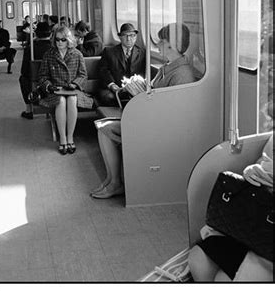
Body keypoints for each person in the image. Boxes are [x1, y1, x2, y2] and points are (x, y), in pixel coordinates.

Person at [91, 23, 195, 198]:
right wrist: (139, 90)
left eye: (162, 40)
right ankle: (112, 180)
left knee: (105, 129)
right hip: (149, 119)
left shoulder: (181, 75)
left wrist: (140, 95)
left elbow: (171, 113)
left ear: (172, 45)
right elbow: (155, 95)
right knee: (103, 126)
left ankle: (116, 183)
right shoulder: (168, 67)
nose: (158, 44)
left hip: (159, 128)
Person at [188, 134, 273, 282]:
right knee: (198, 259)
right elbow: (264, 163)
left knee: (224, 279)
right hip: (256, 217)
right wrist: (253, 170)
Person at [38, 26, 94, 154]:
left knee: (72, 99)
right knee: (61, 101)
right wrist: (49, 86)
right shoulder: (49, 55)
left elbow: (83, 75)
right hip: (55, 90)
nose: (59, 43)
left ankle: (70, 137)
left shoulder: (77, 54)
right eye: (57, 40)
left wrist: (75, 84)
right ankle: (62, 138)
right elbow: (42, 76)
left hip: (73, 89)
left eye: (63, 40)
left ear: (68, 40)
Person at [97, 23, 146, 107]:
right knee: (109, 97)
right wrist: (112, 85)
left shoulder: (142, 53)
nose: (128, 39)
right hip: (112, 88)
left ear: (136, 37)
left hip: (132, 88)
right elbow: (103, 71)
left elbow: (143, 73)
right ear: (120, 37)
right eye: (125, 35)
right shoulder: (109, 52)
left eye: (132, 35)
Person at [19, 22, 52, 119]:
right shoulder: (54, 48)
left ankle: (29, 109)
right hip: (52, 81)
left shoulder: (30, 49)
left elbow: (24, 70)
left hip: (35, 81)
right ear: (50, 34)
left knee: (23, 79)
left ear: (36, 34)